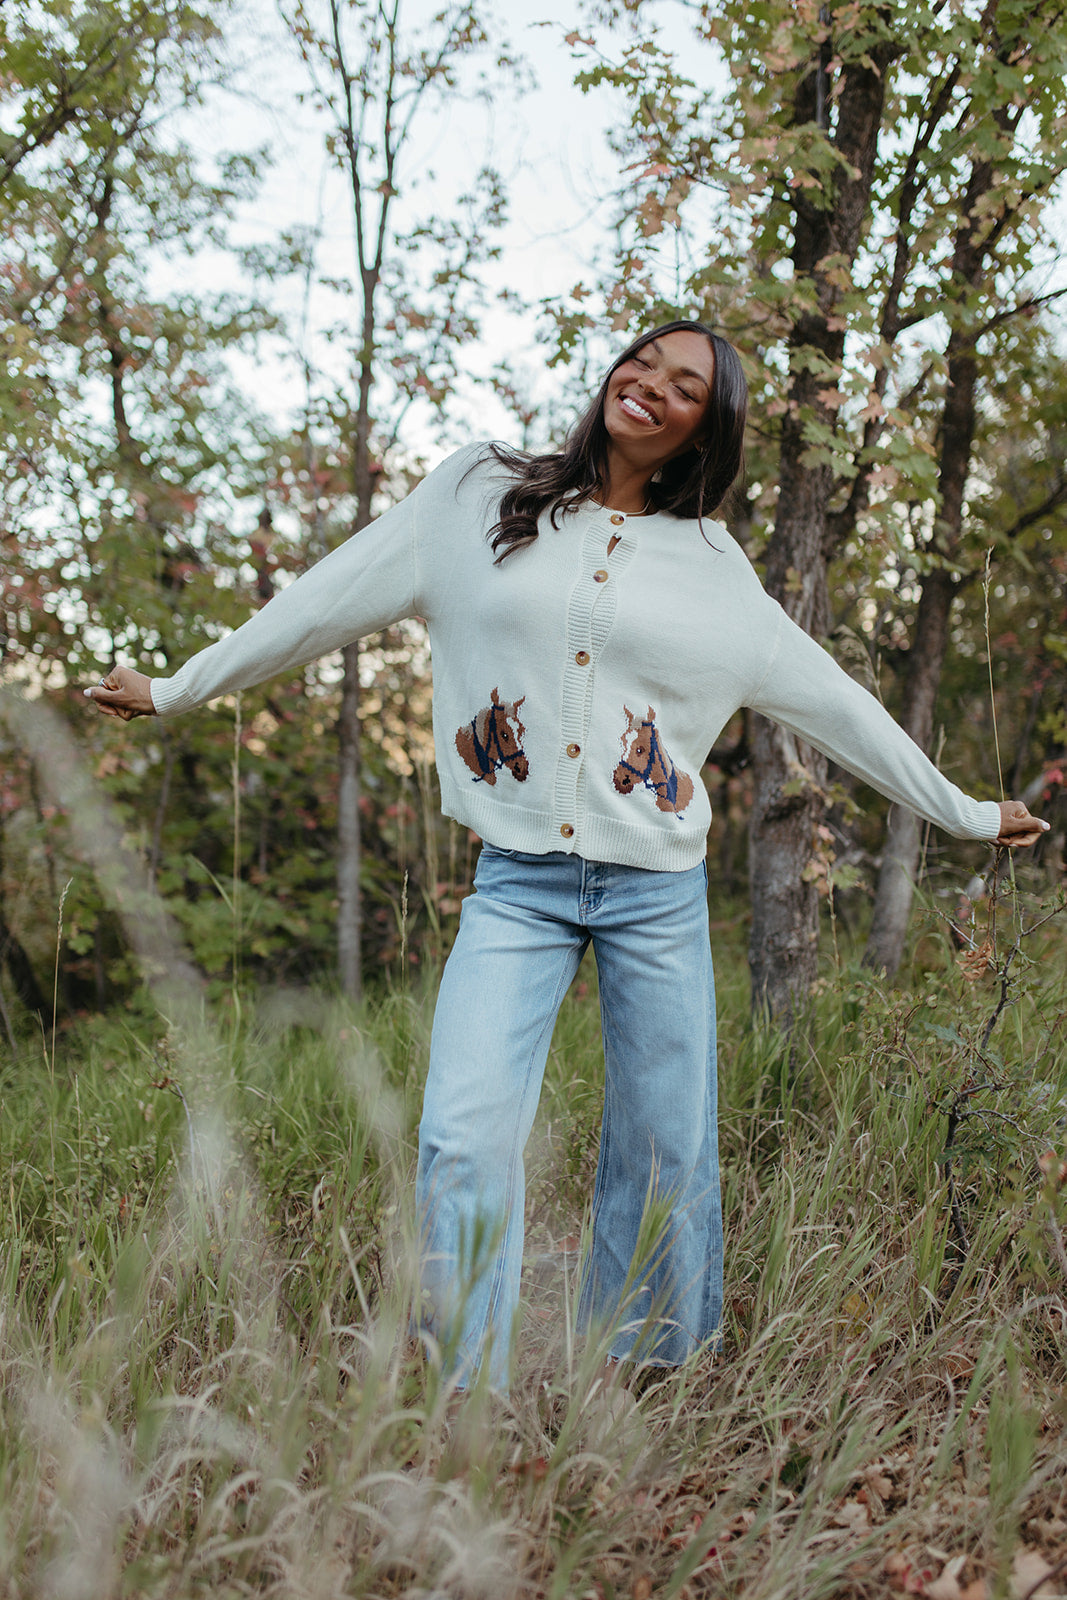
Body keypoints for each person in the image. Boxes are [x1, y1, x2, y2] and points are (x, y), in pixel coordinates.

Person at [86, 320, 1048, 1390]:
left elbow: (835, 705)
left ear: (701, 431)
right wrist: (182, 685)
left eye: (686, 387)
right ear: (613, 369)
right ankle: (466, 1390)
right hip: (517, 887)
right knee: (461, 1134)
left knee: (664, 1148)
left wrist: (961, 809)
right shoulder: (473, 495)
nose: (652, 385)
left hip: (655, 893)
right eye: (644, 360)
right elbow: (325, 594)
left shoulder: (714, 571)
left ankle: (647, 1370)